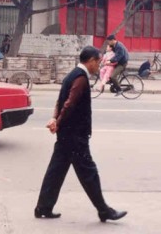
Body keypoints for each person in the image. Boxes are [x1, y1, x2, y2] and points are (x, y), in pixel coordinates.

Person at [34, 46, 127, 223]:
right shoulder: (81, 78)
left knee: (56, 171)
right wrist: (58, 121)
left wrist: (55, 119)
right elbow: (69, 104)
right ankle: (104, 210)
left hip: (66, 136)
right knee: (89, 173)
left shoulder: (72, 75)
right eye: (98, 62)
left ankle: (43, 207)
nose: (98, 65)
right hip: (75, 137)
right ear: (91, 61)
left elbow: (60, 100)